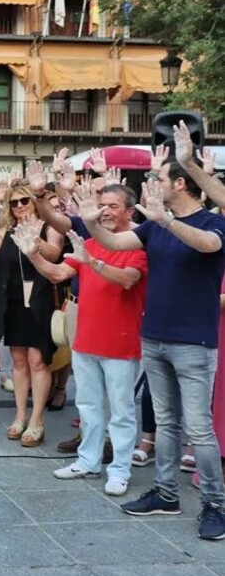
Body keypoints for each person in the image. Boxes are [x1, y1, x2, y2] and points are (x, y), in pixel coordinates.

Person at [93, 124, 225, 540]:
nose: (151, 184)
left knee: (198, 428)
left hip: (194, 341)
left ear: (180, 184)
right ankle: (166, 494)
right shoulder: (153, 225)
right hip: (155, 336)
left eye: (158, 178)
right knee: (165, 423)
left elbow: (207, 245)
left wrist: (166, 221)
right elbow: (114, 242)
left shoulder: (212, 221)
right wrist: (88, 220)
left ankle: (215, 505)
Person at [16, 184, 146, 495]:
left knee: (122, 410)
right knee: (87, 405)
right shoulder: (88, 242)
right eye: (102, 205)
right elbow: (58, 273)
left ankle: (119, 470)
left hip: (121, 342)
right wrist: (33, 255)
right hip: (86, 339)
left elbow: (129, 279)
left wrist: (92, 263)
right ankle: (88, 461)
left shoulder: (138, 246)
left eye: (113, 206)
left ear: (129, 211)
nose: (105, 211)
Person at [0, 180, 63, 447]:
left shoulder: (48, 226)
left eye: (24, 200)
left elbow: (55, 254)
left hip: (41, 300)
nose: (20, 206)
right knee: (19, 361)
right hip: (13, 301)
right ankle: (20, 415)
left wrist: (34, 240)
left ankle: (37, 420)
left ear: (34, 202)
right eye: (14, 203)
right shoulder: (6, 229)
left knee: (38, 360)